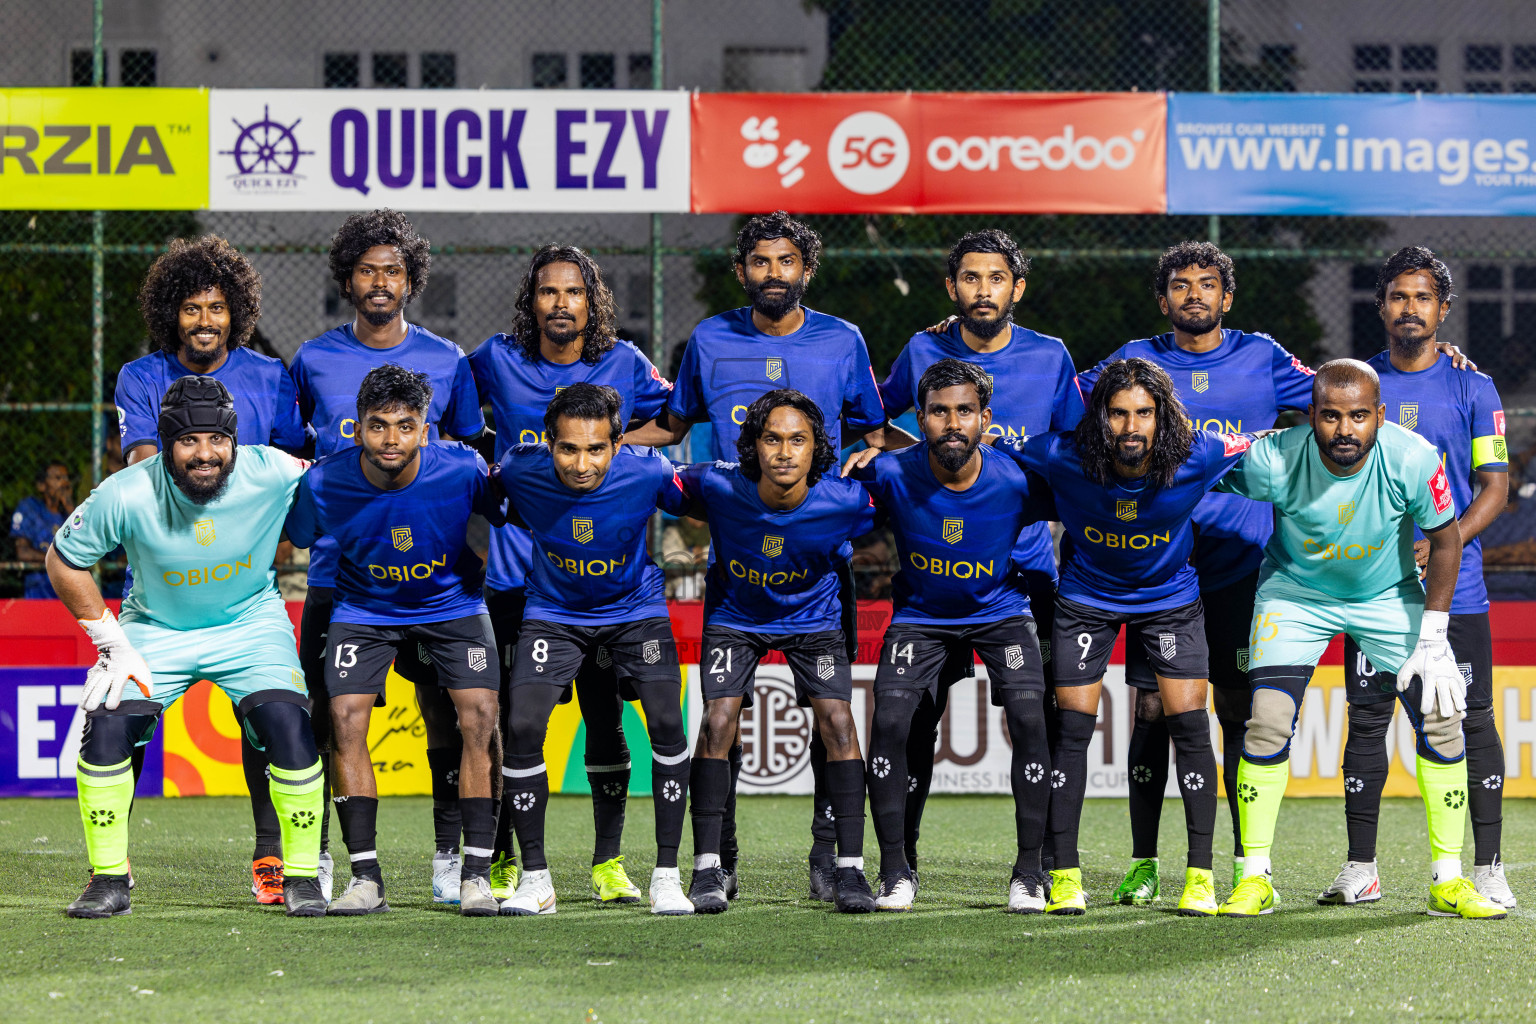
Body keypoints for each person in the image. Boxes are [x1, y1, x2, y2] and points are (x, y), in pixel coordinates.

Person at [626, 210, 907, 902]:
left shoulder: (842, 340)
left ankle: (831, 855)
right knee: (722, 719)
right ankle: (716, 857)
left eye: (787, 262)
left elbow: (876, 433)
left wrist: (943, 463)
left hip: (820, 565)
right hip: (737, 557)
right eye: (760, 261)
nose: (773, 274)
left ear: (806, 270)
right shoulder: (709, 339)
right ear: (742, 270)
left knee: (832, 717)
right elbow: (672, 424)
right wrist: (604, 448)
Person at [1214, 359, 1505, 920]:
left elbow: (1446, 541)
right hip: (1295, 597)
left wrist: (1435, 633)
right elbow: (1189, 469)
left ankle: (1448, 879)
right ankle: (1255, 878)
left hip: (1386, 597)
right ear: (1310, 417)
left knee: (1444, 716)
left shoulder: (1414, 457)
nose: (1344, 430)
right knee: (1267, 720)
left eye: (1357, 416)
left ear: (1380, 416)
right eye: (1329, 416)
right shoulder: (1273, 458)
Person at [1076, 241, 1314, 903]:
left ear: (1226, 297)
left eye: (1207, 285)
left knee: (1239, 710)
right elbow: (1060, 395)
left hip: (1243, 566)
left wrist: (1426, 369)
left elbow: (1339, 393)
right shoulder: (1134, 360)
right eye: (1180, 286)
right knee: (1152, 710)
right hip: (1160, 566)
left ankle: (1247, 865)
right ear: (1164, 300)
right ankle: (1145, 861)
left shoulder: (1263, 356)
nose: (1194, 296)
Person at [46, 375, 325, 918]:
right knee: (105, 729)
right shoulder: (126, 490)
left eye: (217, 440)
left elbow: (337, 484)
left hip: (250, 626)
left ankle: (302, 877)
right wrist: (111, 642)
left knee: (290, 728)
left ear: (234, 440)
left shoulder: (274, 470)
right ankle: (108, 879)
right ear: (167, 442)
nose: (206, 454)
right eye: (189, 441)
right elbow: (63, 560)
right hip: (154, 631)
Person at [999, 357, 1254, 917]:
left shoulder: (1198, 454)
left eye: (1143, 413)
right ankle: (1064, 877)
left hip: (1169, 600)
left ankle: (1200, 877)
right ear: (1100, 416)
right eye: (1118, 414)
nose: (1131, 427)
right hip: (1087, 600)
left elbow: (1273, 441)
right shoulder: (1061, 453)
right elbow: (983, 458)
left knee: (1189, 728)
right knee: (1071, 732)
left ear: (1162, 417)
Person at [461, 244, 672, 905]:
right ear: (532, 302)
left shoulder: (627, 362)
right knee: (508, 725)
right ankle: (508, 861)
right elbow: (457, 422)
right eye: (547, 292)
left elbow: (674, 420)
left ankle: (608, 863)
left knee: (603, 718)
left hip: (601, 583)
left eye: (573, 292)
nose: (560, 303)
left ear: (592, 301)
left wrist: (611, 462)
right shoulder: (494, 358)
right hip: (516, 580)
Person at [288, 210, 486, 904]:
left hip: (432, 583)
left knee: (445, 718)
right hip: (339, 582)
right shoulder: (312, 359)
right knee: (327, 715)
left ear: (412, 280)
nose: (379, 281)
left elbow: (465, 467)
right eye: (367, 269)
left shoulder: (449, 360)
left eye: (393, 270)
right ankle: (317, 861)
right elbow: (294, 460)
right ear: (348, 278)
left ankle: (446, 855)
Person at [883, 229, 1083, 879]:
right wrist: (899, 465)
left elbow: (1075, 451)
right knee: (913, 720)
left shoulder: (1051, 357)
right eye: (970, 278)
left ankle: (1047, 861)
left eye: (996, 279)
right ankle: (901, 859)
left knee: (1040, 720)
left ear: (1016, 288)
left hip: (1025, 574)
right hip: (934, 576)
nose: (983, 291)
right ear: (952, 288)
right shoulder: (922, 349)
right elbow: (875, 418)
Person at [114, 234, 306, 905]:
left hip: (244, 591)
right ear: (172, 312)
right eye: (192, 308)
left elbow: (286, 477)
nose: (204, 321)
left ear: (236, 313)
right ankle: (114, 862)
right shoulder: (140, 379)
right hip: (160, 589)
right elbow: (142, 466)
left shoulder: (270, 378)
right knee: (124, 720)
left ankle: (270, 852)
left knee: (268, 719)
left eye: (216, 308)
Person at [1330, 248, 1513, 909]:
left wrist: (1446, 544)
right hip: (1372, 594)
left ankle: (1487, 866)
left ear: (1442, 309)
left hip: (1455, 593)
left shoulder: (1474, 386)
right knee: (1369, 720)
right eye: (1398, 296)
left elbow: (1497, 485)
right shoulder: (1353, 387)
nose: (1411, 307)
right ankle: (1361, 868)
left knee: (1472, 722)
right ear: (1380, 307)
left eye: (1423, 296)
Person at [844, 359, 1056, 913]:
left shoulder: (1017, 478)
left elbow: (1090, 502)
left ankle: (1031, 871)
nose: (952, 422)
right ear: (921, 418)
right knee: (890, 724)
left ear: (985, 418)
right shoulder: (889, 473)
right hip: (921, 616)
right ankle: (895, 869)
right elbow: (828, 503)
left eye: (965, 411)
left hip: (1001, 610)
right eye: (939, 411)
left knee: (1033, 720)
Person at [496, 383, 695, 916]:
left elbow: (703, 500)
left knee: (667, 724)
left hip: (634, 611)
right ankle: (536, 879)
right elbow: (488, 503)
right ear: (547, 442)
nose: (582, 464)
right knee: (520, 726)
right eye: (568, 448)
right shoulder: (519, 469)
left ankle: (666, 876)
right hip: (553, 613)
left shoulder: (648, 471)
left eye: (596, 449)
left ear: (618, 443)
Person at [678, 389, 878, 914]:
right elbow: (654, 482)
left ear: (817, 450)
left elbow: (910, 495)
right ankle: (710, 866)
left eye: (798, 440)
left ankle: (847, 866)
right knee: (718, 721)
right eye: (772, 439)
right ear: (753, 446)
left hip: (814, 621)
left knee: (837, 722)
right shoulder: (719, 485)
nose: (784, 452)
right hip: (736, 619)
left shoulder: (846, 499)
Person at [12, 461, 75, 598]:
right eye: (58, 478)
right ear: (41, 485)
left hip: (68, 591)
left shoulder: (70, 514)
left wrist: (70, 507)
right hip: (39, 591)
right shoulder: (30, 508)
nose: (64, 484)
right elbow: (23, 552)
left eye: (66, 478)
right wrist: (59, 559)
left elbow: (85, 545)